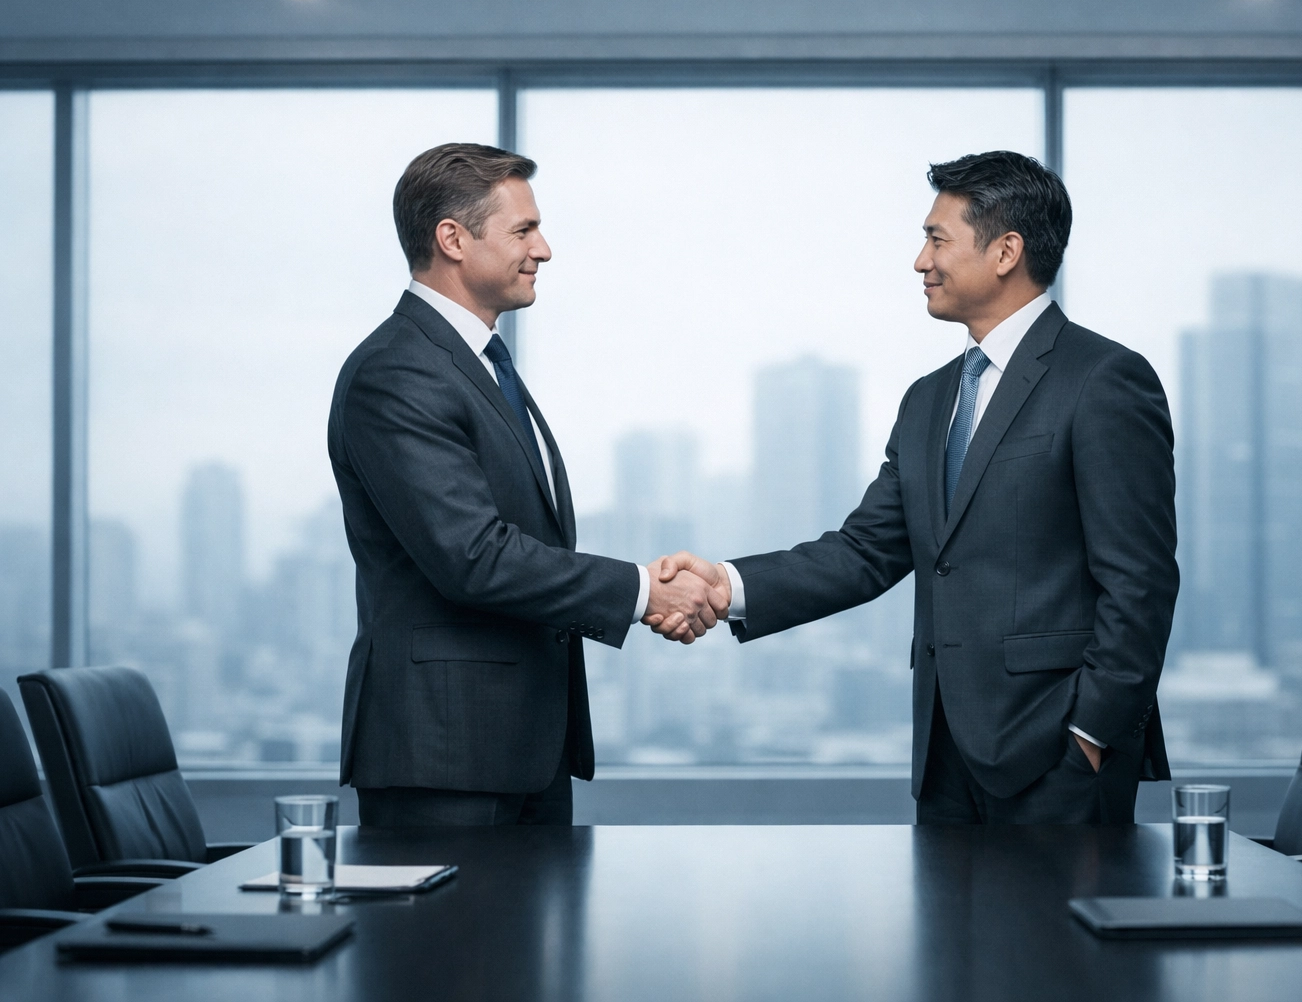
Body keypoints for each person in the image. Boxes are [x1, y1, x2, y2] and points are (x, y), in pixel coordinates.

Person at [654, 151, 1177, 825]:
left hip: (1060, 757)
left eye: (936, 238)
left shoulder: (1104, 379)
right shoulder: (929, 401)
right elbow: (865, 551)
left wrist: (1091, 738)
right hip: (946, 756)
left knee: (1056, 935)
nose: (919, 261)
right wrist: (727, 588)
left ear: (1005, 252)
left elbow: (1140, 582)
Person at [328, 143, 726, 827]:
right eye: (523, 230)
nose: (544, 249)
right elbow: (474, 557)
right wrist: (643, 591)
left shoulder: (477, 362)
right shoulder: (398, 373)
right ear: (452, 239)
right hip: (444, 758)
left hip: (519, 747)